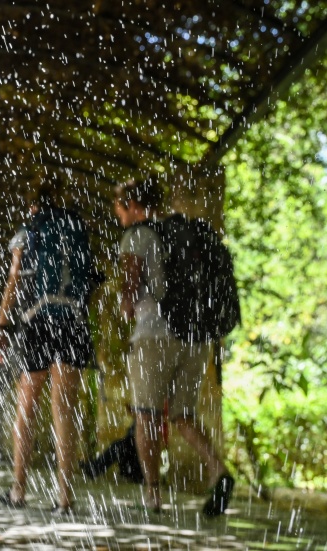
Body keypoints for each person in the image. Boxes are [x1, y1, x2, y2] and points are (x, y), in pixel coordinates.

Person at [114, 177, 234, 516]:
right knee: (182, 414)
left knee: (147, 416)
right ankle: (217, 469)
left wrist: (126, 311)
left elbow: (129, 288)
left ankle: (153, 495)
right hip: (193, 338)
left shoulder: (137, 235)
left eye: (119, 205)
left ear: (133, 205)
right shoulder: (182, 232)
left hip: (154, 337)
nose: (117, 212)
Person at [0, 183, 94, 515]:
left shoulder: (29, 229)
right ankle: (65, 495)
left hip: (39, 320)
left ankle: (19, 489)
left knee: (27, 404)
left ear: (32, 204)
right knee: (64, 409)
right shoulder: (76, 226)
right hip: (74, 320)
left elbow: (14, 279)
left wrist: (1, 327)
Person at [79, 404, 144, 484]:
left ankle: (95, 468)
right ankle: (95, 468)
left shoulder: (146, 421)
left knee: (120, 445)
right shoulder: (139, 422)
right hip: (134, 462)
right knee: (121, 444)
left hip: (140, 466)